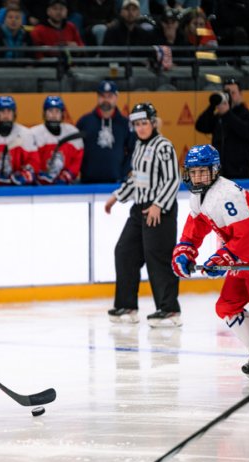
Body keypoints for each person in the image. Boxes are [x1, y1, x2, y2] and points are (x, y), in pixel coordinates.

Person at [172, 144, 249, 377]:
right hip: (244, 261)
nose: (197, 177)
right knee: (227, 306)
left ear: (214, 170)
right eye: (193, 172)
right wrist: (185, 250)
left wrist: (223, 258)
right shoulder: (199, 196)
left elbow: (247, 235)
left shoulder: (228, 194)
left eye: (202, 172)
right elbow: (194, 229)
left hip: (246, 254)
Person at [105, 102, 181, 327]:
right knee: (124, 252)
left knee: (158, 258)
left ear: (153, 122)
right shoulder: (138, 146)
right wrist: (116, 197)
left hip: (159, 210)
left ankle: (169, 310)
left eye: (144, 123)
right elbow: (136, 179)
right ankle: (127, 306)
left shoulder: (164, 146)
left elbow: (173, 179)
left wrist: (159, 204)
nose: (141, 128)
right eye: (137, 124)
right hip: (139, 210)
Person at [76, 80, 134, 184]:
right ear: (97, 97)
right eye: (102, 96)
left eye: (110, 96)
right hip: (87, 183)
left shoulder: (125, 124)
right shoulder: (84, 122)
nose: (106, 100)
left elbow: (134, 150)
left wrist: (123, 173)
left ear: (116, 97)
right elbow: (74, 150)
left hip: (116, 184)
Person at [195, 78, 249, 180]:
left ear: (240, 94)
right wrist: (212, 105)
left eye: (233, 93)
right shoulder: (220, 117)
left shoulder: (247, 115)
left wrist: (227, 113)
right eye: (227, 93)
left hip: (240, 173)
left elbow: (247, 131)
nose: (230, 96)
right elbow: (200, 126)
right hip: (219, 173)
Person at [31, 95, 83, 185]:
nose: (54, 115)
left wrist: (68, 174)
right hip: (39, 188)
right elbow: (31, 160)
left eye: (57, 111)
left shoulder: (72, 132)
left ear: (62, 114)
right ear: (44, 113)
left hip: (65, 187)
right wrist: (38, 175)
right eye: (50, 111)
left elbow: (78, 158)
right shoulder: (33, 134)